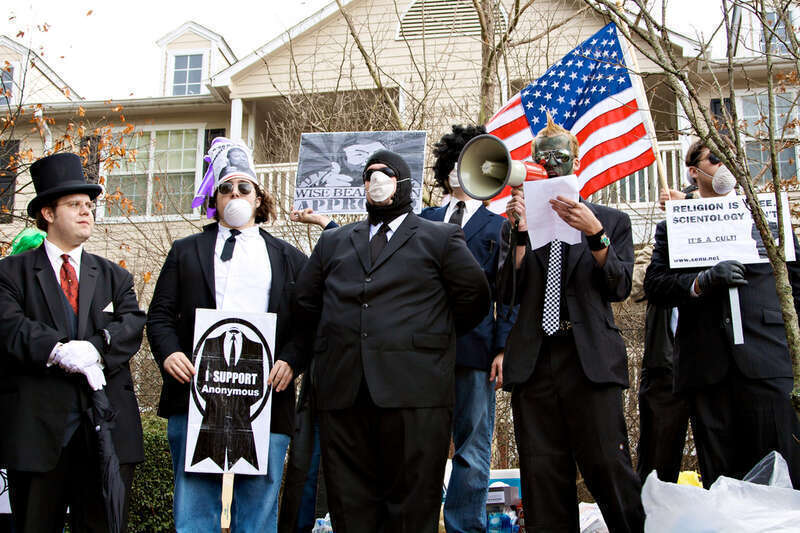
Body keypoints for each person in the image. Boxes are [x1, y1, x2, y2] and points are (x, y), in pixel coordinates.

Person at [295, 149, 490, 532]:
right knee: (350, 504)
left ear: (404, 184)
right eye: (369, 174)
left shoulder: (440, 236)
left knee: (412, 505)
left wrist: (428, 339)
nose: (376, 180)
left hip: (416, 394)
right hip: (344, 394)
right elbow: (305, 301)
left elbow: (475, 298)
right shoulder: (336, 241)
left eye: (385, 173)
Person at [147, 139, 308, 532]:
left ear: (258, 197)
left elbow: (308, 323)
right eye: (226, 188)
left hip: (267, 397)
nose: (234, 195)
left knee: (258, 509)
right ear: (214, 199)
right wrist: (169, 353)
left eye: (243, 188)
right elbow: (160, 316)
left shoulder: (289, 257)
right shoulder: (186, 251)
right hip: (195, 395)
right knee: (194, 506)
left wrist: (292, 360)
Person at [500, 116, 644, 532]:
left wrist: (595, 235)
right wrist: (521, 235)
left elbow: (618, 286)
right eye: (541, 158)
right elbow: (507, 291)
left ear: (576, 161)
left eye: (559, 157)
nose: (550, 164)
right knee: (542, 474)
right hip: (536, 362)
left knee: (607, 464)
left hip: (589, 362)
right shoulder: (517, 223)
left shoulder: (610, 220)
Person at [0, 152, 146, 532]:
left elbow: (132, 324)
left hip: (106, 435)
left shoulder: (116, 276)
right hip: (38, 433)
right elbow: (9, 325)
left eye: (89, 205)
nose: (87, 212)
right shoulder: (11, 273)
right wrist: (57, 350)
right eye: (75, 205)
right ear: (48, 213)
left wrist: (97, 346)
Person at [644, 139, 800, 488]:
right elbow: (655, 285)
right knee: (724, 479)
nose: (724, 165)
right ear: (694, 171)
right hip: (707, 367)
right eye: (714, 159)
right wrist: (700, 282)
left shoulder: (766, 215)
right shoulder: (675, 225)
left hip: (768, 362)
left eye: (730, 157)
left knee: (783, 474)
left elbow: (796, 282)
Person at [424, 124, 515, 532]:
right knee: (420, 448)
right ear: (445, 170)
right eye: (455, 163)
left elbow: (508, 292)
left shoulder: (500, 226)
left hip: (477, 352)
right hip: (421, 354)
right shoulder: (421, 221)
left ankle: (465, 527)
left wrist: (502, 348)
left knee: (473, 451)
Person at [633, 183, 697, 484]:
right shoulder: (662, 241)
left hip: (714, 365)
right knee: (656, 466)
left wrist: (689, 205)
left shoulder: (727, 231)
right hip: (665, 366)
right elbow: (635, 285)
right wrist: (669, 241)